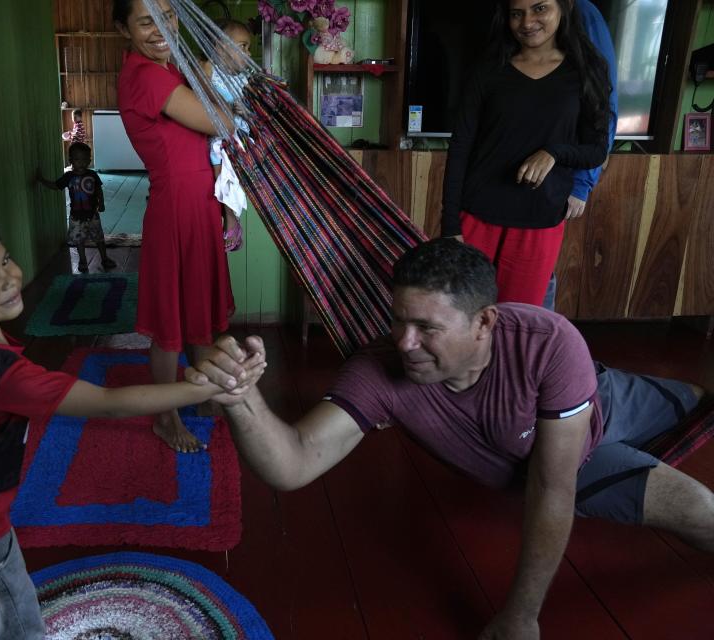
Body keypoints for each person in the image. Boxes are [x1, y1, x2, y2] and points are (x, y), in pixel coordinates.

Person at [190, 238, 714, 640]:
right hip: (580, 458)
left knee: (699, 402)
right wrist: (243, 400)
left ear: (485, 321)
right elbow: (293, 464)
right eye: (398, 321)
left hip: (596, 395)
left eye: (427, 327)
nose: (406, 343)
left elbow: (550, 493)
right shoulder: (381, 372)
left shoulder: (547, 341)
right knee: (703, 514)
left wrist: (519, 618)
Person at [0, 206, 262, 640]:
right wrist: (204, 389)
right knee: (17, 627)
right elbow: (108, 403)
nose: (8, 278)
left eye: (4, 260)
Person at [114, 0, 236, 452]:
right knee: (171, 321)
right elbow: (220, 120)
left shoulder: (169, 71)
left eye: (168, 17)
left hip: (200, 204)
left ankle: (202, 397)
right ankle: (165, 417)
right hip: (175, 210)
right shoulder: (146, 75)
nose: (160, 29)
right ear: (123, 29)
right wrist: (209, 74)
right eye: (146, 21)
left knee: (199, 308)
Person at [442, 0, 612, 306]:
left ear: (564, 8)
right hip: (477, 215)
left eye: (540, 8)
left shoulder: (587, 71)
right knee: (460, 318)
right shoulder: (488, 69)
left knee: (516, 322)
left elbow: (596, 151)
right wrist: (451, 226)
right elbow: (460, 148)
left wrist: (554, 152)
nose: (527, 21)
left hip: (539, 221)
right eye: (516, 13)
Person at [543, 0, 619, 310]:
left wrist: (582, 183)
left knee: (539, 274)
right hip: (508, 172)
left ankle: (535, 351)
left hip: (558, 173)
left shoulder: (582, 12)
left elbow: (603, 104)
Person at [200, 18, 252, 252]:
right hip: (218, 135)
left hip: (239, 138)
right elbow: (204, 92)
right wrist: (228, 104)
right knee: (216, 155)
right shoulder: (210, 69)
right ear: (221, 47)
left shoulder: (246, 79)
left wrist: (245, 110)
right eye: (242, 46)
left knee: (224, 161)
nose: (248, 53)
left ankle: (231, 219)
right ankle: (230, 218)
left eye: (249, 47)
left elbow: (254, 115)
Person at [36, 142, 116, 273]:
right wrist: (42, 180)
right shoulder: (69, 177)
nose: (81, 163)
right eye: (78, 160)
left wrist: (101, 203)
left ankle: (104, 258)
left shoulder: (92, 175)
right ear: (71, 160)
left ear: (90, 160)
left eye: (85, 159)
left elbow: (98, 189)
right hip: (76, 216)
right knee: (79, 240)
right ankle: (83, 261)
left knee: (99, 238)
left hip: (92, 215)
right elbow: (56, 186)